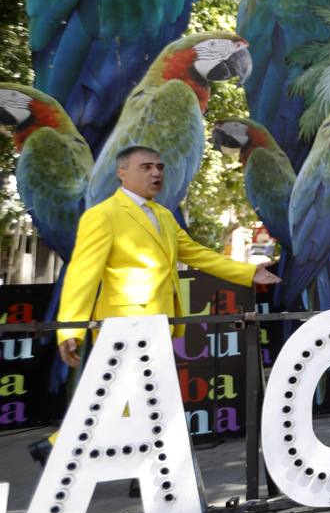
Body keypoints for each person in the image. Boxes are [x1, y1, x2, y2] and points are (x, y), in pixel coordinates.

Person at [41, 146, 279, 464]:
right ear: (121, 173)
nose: (156, 173)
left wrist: (248, 271)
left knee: (138, 398)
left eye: (159, 167)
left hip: (159, 322)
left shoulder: (164, 215)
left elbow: (195, 253)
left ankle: (139, 465)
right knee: (120, 396)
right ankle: (62, 448)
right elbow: (83, 274)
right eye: (146, 167)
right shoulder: (102, 215)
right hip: (123, 323)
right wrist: (70, 328)